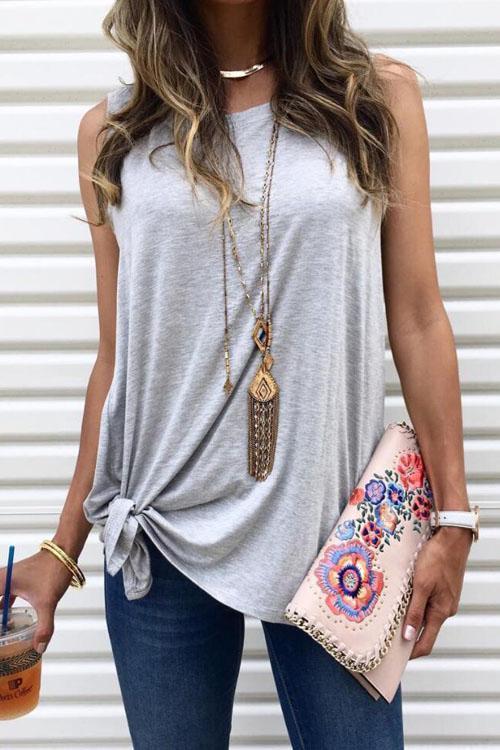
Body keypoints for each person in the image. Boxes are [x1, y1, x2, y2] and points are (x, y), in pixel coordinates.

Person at [0, 1, 475, 748]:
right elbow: (118, 360)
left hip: (334, 540)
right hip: (160, 533)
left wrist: (454, 519)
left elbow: (416, 316)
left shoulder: (375, 100)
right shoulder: (113, 133)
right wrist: (63, 550)